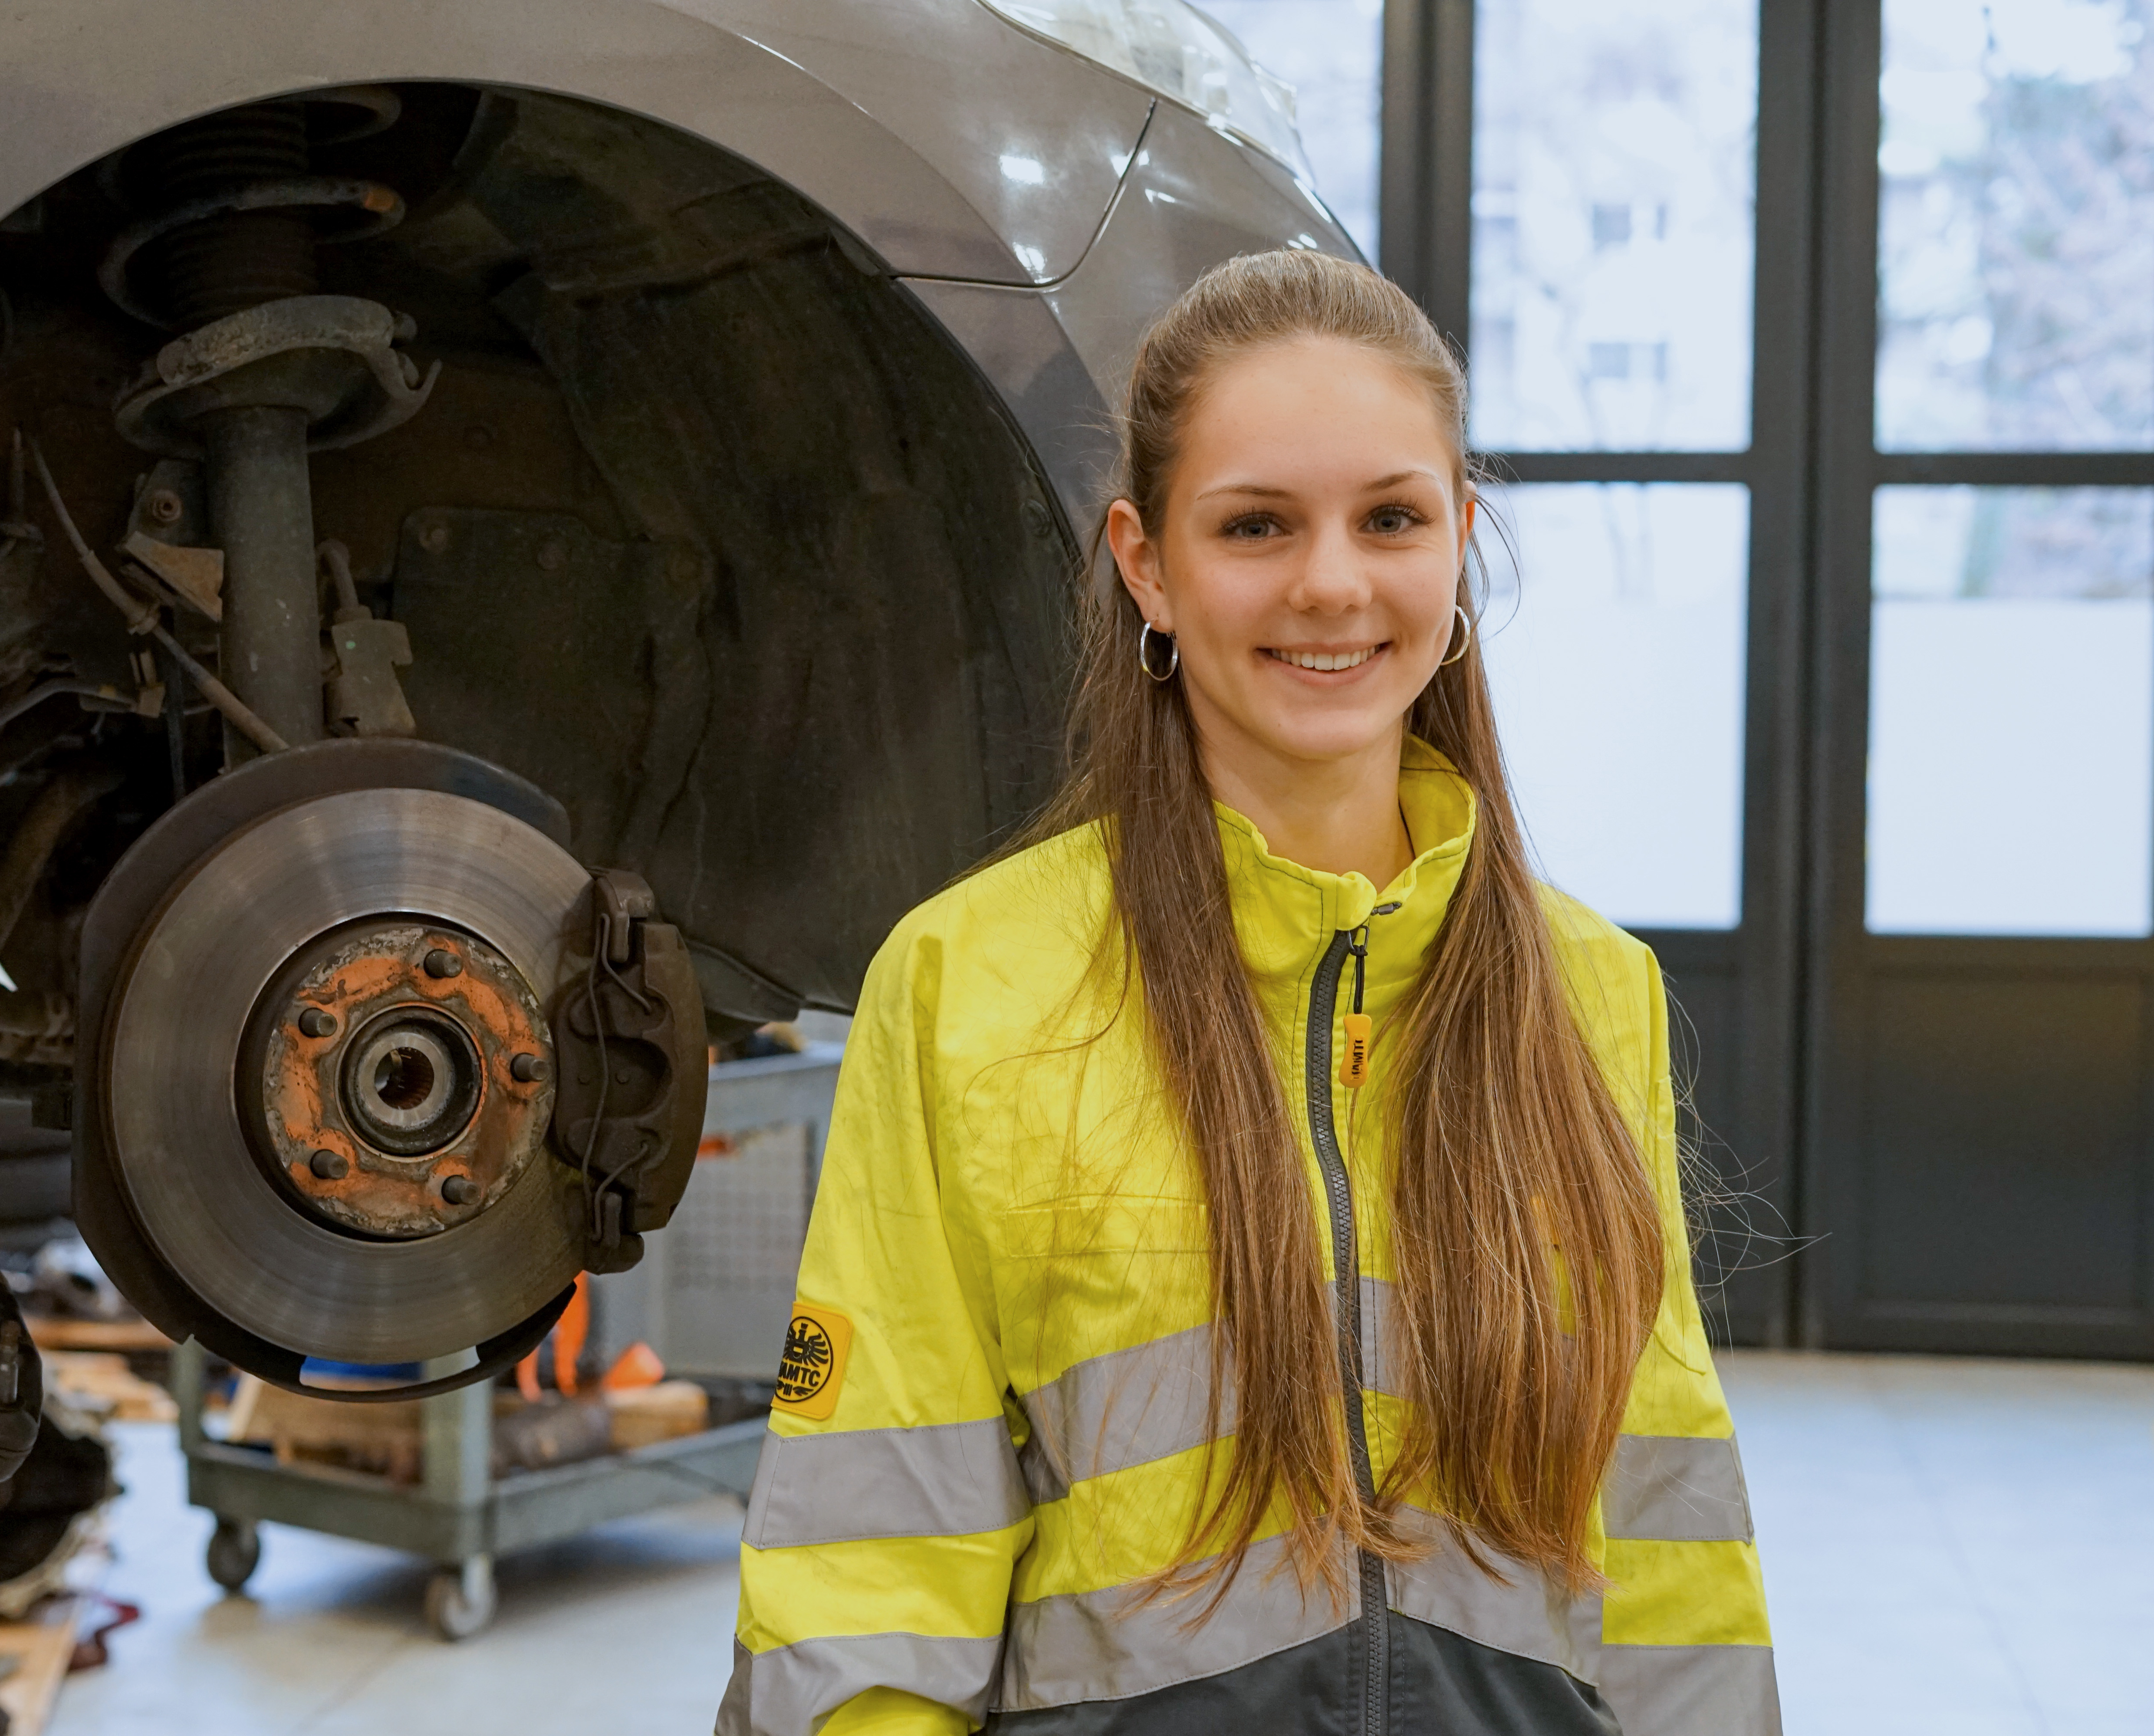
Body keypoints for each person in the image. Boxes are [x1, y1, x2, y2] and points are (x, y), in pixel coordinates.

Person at [719, 249, 1775, 1736]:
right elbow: (872, 1553)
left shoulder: (1591, 988)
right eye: (1258, 525)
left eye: (1392, 519)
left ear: (1458, 543)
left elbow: (1664, 1524)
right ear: (1148, 562)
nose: (1332, 582)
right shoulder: (971, 982)